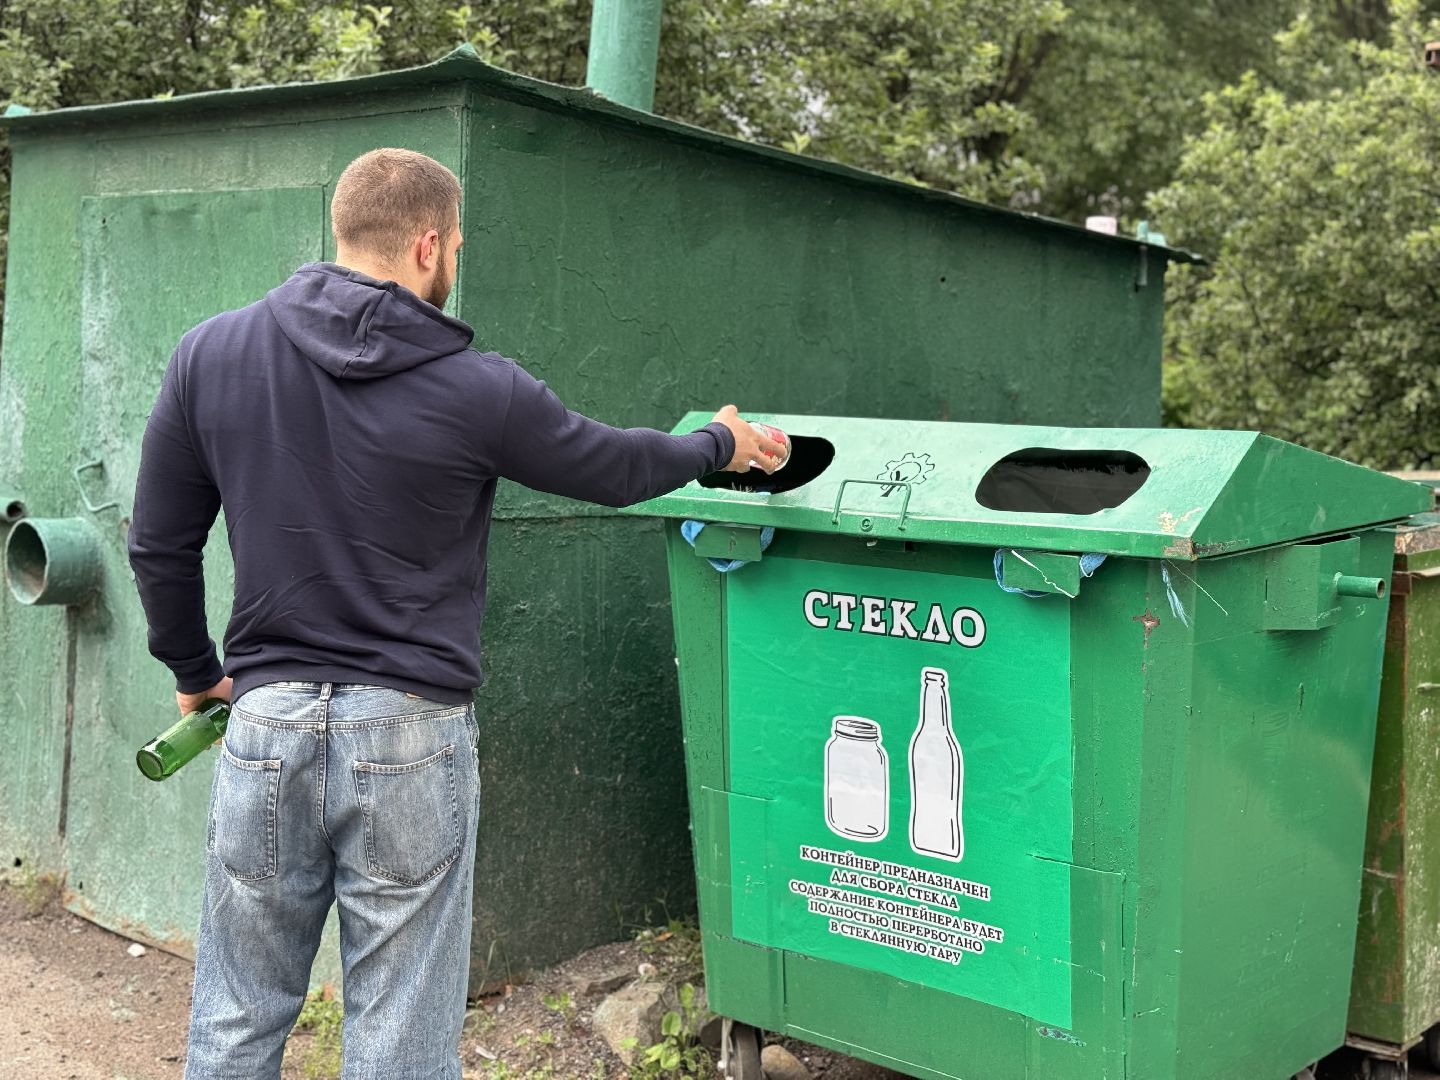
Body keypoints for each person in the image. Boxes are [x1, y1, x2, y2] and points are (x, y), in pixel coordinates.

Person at [126, 146, 783, 1080]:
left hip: (264, 725)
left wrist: (196, 675)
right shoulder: (479, 388)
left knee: (235, 1015)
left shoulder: (211, 354)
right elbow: (614, 468)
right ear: (429, 243)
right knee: (400, 1037)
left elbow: (158, 542)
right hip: (408, 736)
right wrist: (719, 442)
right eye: (458, 246)